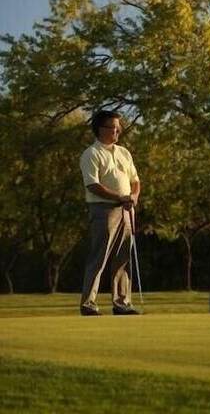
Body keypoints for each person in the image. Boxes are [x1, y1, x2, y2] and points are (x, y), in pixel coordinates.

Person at [78, 110, 141, 316]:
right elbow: (93, 185)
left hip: (126, 209)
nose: (117, 130)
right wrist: (119, 197)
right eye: (113, 127)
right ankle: (88, 303)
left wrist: (133, 196)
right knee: (100, 256)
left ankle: (122, 303)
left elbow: (135, 180)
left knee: (123, 257)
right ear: (100, 129)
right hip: (103, 210)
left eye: (118, 127)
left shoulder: (124, 152)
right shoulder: (91, 154)